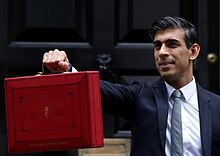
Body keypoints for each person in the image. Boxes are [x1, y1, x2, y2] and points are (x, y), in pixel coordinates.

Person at [42, 16, 220, 156]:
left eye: (172, 44)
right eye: (157, 46)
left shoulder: (216, 106)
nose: (162, 52)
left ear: (193, 51)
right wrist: (64, 70)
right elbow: (94, 90)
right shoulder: (140, 95)